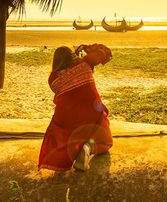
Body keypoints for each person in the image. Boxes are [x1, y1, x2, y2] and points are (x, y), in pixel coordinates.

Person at [38, 43, 113, 172]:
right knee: (106, 142)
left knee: (63, 135)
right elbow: (106, 52)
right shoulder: (85, 63)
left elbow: (66, 90)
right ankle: (88, 148)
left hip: (65, 118)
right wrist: (85, 48)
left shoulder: (52, 78)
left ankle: (71, 153)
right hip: (92, 111)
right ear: (72, 56)